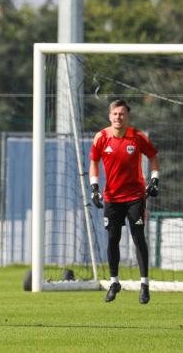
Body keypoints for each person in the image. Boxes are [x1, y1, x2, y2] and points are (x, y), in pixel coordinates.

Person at [89, 99, 159, 304]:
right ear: (109, 116)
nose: (118, 117)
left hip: (135, 197)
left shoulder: (137, 137)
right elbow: (93, 162)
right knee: (112, 239)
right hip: (112, 198)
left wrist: (155, 179)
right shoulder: (101, 137)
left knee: (138, 238)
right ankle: (114, 282)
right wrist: (94, 188)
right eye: (115, 114)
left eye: (122, 114)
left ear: (127, 116)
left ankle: (144, 284)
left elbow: (153, 156)